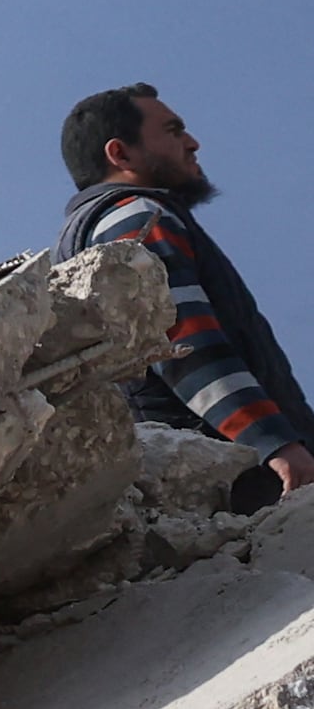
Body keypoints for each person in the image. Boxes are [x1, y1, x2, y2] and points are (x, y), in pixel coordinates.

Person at [59, 87, 314, 511]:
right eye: (173, 130)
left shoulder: (89, 232)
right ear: (121, 154)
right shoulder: (136, 216)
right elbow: (182, 343)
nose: (192, 143)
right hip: (236, 483)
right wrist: (273, 442)